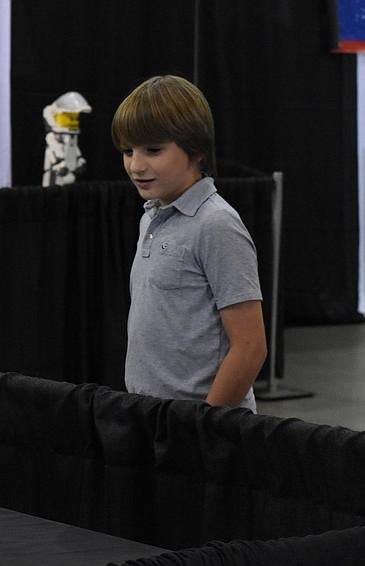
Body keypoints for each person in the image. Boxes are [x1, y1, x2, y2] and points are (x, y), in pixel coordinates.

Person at [111, 75, 267, 411]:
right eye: (128, 151)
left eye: (153, 150)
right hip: (152, 417)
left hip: (200, 429)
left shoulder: (216, 224)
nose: (136, 165)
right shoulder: (150, 216)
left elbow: (251, 345)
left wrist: (203, 427)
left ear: (195, 150)